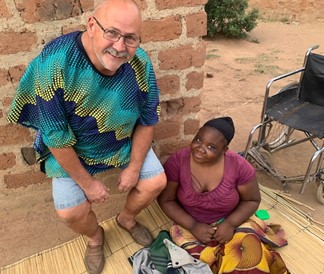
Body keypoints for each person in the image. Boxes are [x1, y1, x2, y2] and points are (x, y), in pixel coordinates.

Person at [7, 0, 167, 273]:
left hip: (121, 140)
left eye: (130, 38)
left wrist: (134, 167)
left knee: (155, 182)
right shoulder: (54, 62)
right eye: (112, 33)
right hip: (72, 148)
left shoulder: (139, 61)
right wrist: (89, 184)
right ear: (92, 25)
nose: (119, 46)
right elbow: (55, 136)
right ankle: (95, 238)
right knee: (70, 211)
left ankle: (126, 219)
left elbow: (148, 118)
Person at [158, 117, 290, 273]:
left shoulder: (240, 167)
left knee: (247, 257)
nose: (200, 148)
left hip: (232, 221)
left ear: (224, 150)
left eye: (211, 147)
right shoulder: (178, 161)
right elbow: (166, 200)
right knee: (194, 264)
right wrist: (193, 225)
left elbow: (252, 200)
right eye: (198, 139)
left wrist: (230, 224)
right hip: (189, 225)